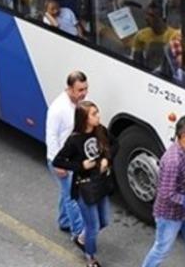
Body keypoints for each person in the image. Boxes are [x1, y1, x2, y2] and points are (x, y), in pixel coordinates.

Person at [52, 101, 117, 267]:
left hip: (100, 184)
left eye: (97, 112)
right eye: (94, 114)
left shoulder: (100, 130)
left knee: (103, 222)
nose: (98, 116)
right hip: (84, 188)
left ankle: (81, 237)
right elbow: (58, 161)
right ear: (84, 119)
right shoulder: (74, 141)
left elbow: (115, 144)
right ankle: (90, 257)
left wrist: (106, 159)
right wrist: (80, 166)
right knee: (93, 226)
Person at [142, 116, 185, 267]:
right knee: (162, 249)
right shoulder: (173, 161)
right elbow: (167, 194)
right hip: (170, 215)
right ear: (184, 136)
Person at [46, 71, 89, 242]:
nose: (84, 93)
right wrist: (59, 163)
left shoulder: (78, 104)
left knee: (66, 192)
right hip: (61, 160)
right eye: (80, 90)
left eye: (86, 88)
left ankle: (64, 221)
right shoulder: (58, 109)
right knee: (72, 196)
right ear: (69, 89)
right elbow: (51, 137)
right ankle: (78, 234)